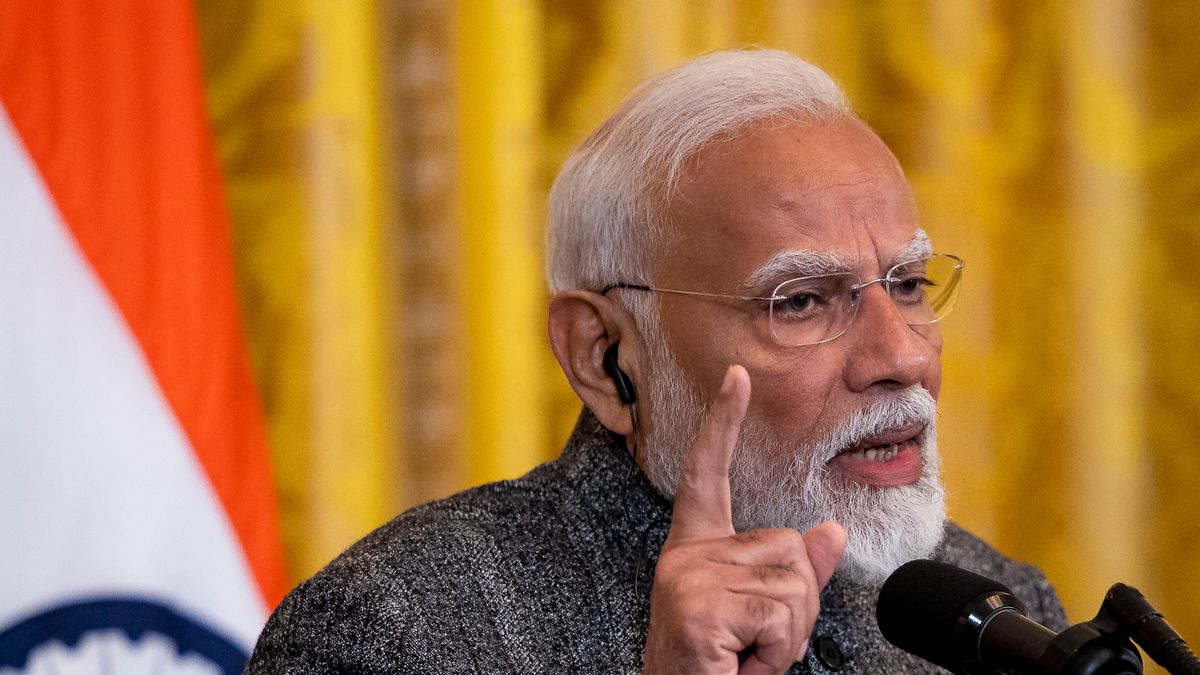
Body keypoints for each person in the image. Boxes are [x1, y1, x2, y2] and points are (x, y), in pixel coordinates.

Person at [245, 49, 1066, 674]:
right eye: (802, 300)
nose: (902, 355)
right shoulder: (398, 629)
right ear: (603, 357)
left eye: (910, 284)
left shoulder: (999, 611)